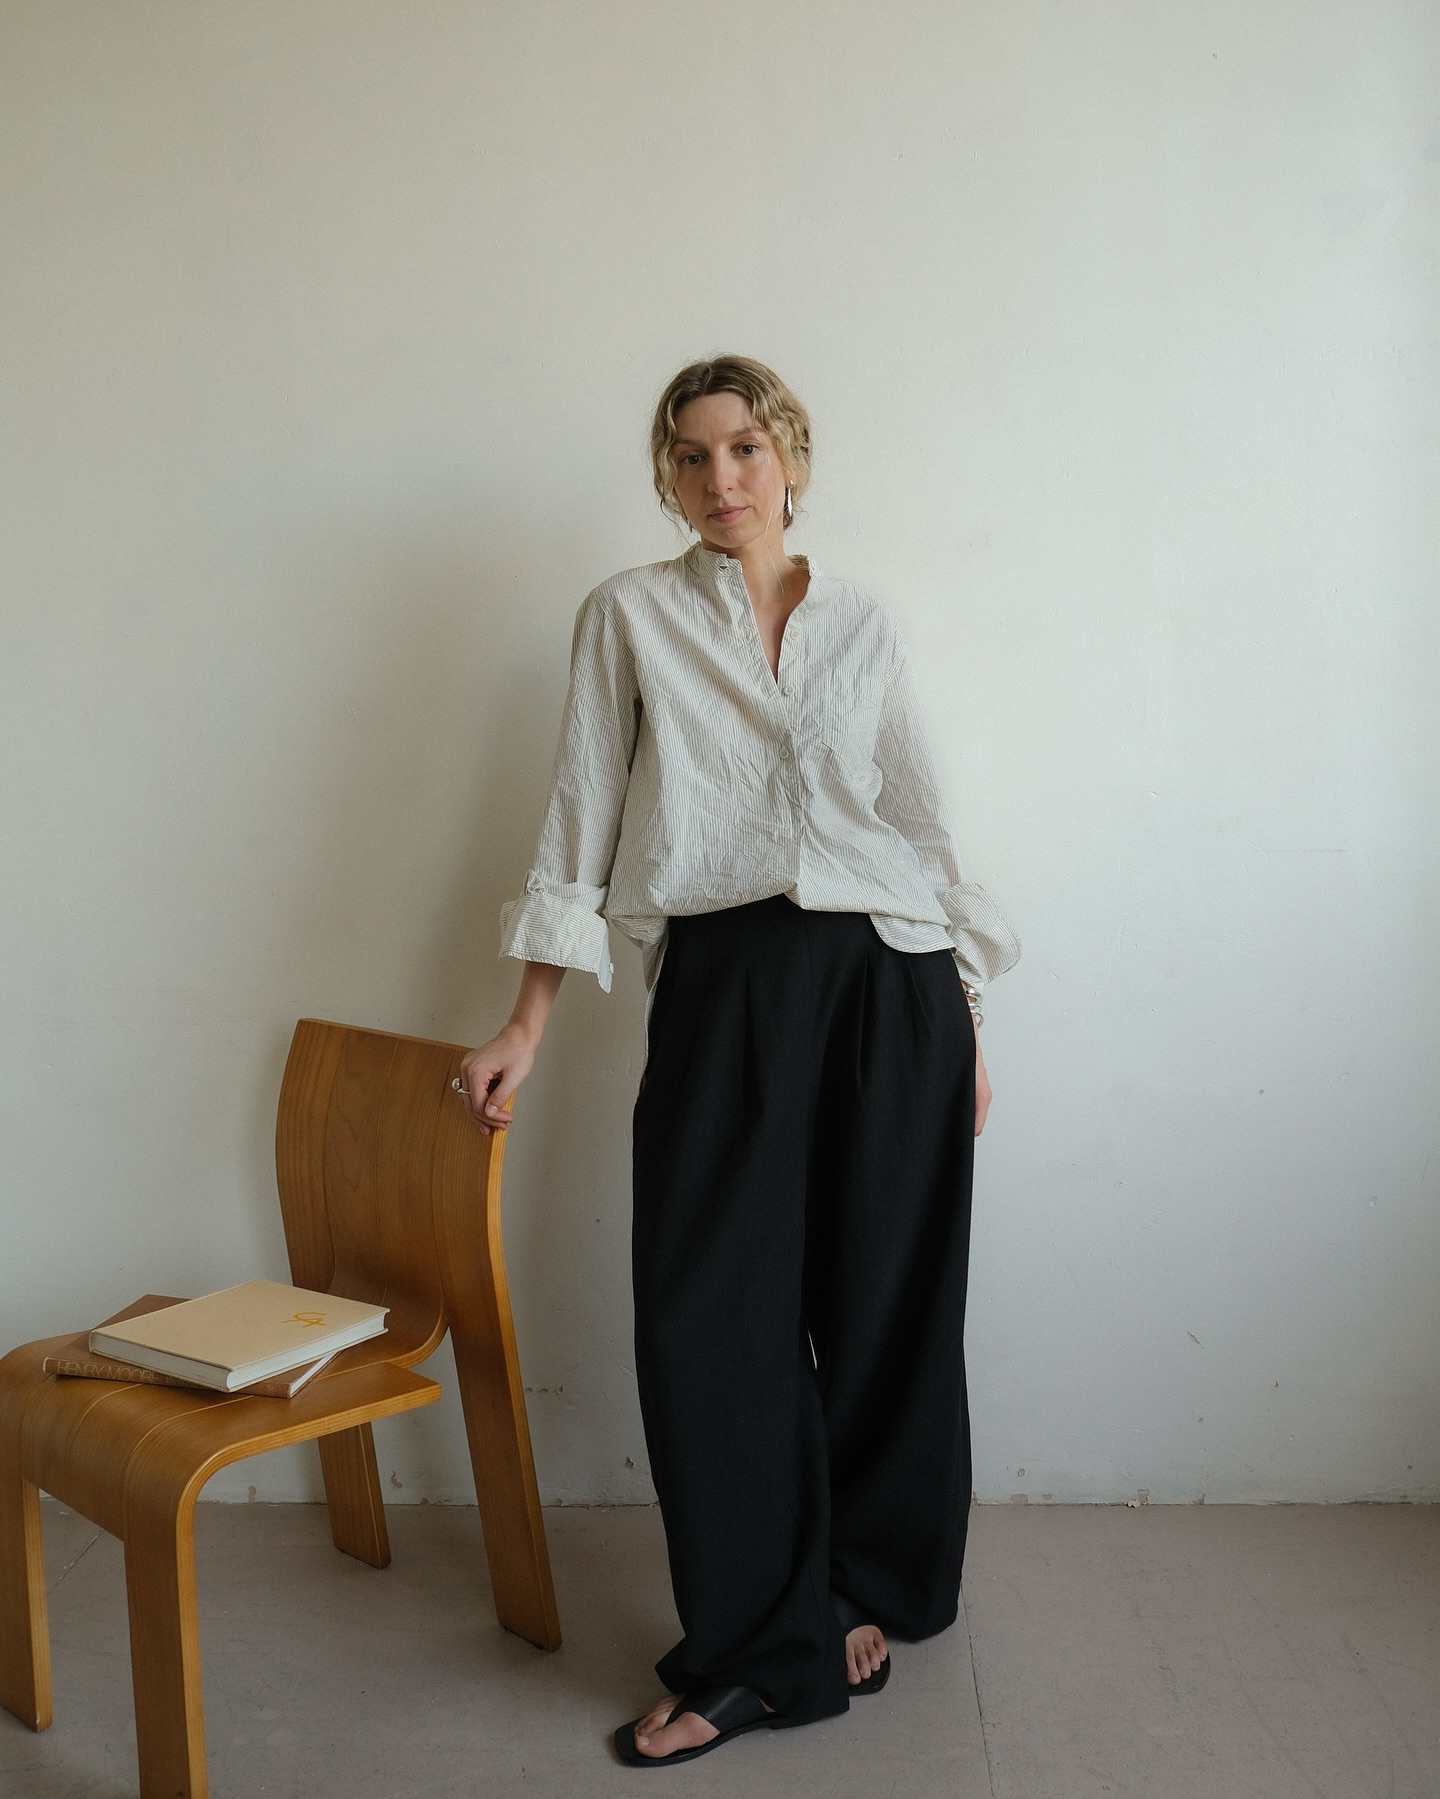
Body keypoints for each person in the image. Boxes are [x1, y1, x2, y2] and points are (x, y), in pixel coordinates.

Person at [456, 355, 1021, 1766]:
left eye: (747, 449)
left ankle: (864, 1582)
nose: (723, 480)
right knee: (712, 1308)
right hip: (730, 982)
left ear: (792, 462)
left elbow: (922, 823)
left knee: (888, 1296)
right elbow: (581, 816)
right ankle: (760, 1648)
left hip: (892, 979)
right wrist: (527, 1021)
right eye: (693, 456)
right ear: (667, 475)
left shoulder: (867, 621)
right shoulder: (629, 616)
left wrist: (966, 1015)